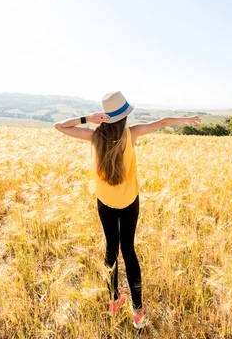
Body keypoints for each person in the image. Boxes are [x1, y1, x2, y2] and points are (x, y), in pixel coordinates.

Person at [54, 91, 200, 328]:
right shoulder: (131, 134)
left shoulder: (94, 136)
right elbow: (162, 123)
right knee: (128, 250)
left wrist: (88, 119)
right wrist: (187, 119)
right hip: (129, 201)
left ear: (104, 117)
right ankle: (138, 311)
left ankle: (114, 302)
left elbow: (59, 126)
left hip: (105, 201)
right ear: (123, 117)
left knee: (111, 248)